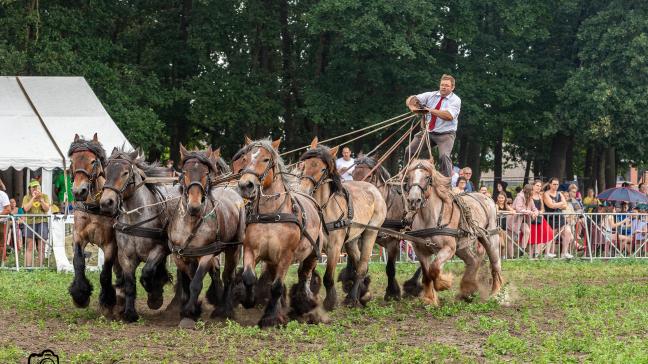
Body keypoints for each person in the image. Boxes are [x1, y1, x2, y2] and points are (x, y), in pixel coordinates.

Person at [405, 74, 462, 177]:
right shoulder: (430, 95)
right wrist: (413, 106)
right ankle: (405, 176)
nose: (443, 87)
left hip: (446, 134)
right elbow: (411, 99)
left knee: (444, 156)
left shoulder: (456, 100)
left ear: (453, 87)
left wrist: (429, 110)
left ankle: (447, 182)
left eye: (447, 85)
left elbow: (448, 116)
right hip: (428, 132)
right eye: (442, 85)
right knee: (409, 150)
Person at [22, 179, 50, 267]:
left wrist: (41, 200)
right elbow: (25, 209)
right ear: (29, 188)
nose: (35, 189)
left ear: (40, 188)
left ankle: (40, 267)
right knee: (29, 246)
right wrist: (33, 198)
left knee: (41, 246)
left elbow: (47, 209)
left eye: (36, 187)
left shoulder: (45, 196)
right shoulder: (26, 197)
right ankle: (28, 267)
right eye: (32, 187)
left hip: (42, 222)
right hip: (30, 222)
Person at [543, 178, 574, 259]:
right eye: (554, 184)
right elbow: (550, 205)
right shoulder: (546, 194)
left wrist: (556, 204)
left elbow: (565, 205)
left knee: (567, 232)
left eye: (557, 184)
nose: (556, 186)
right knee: (551, 236)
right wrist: (560, 204)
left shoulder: (559, 194)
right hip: (550, 218)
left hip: (560, 217)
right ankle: (547, 253)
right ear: (550, 184)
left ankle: (564, 253)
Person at [495, 193, 515, 258]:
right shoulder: (496, 205)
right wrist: (505, 212)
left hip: (504, 227)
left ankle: (503, 257)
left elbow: (513, 211)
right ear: (497, 198)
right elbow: (496, 211)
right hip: (498, 227)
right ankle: (499, 256)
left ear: (505, 199)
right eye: (499, 198)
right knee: (502, 244)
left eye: (502, 198)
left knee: (504, 243)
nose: (500, 199)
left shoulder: (506, 206)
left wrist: (510, 212)